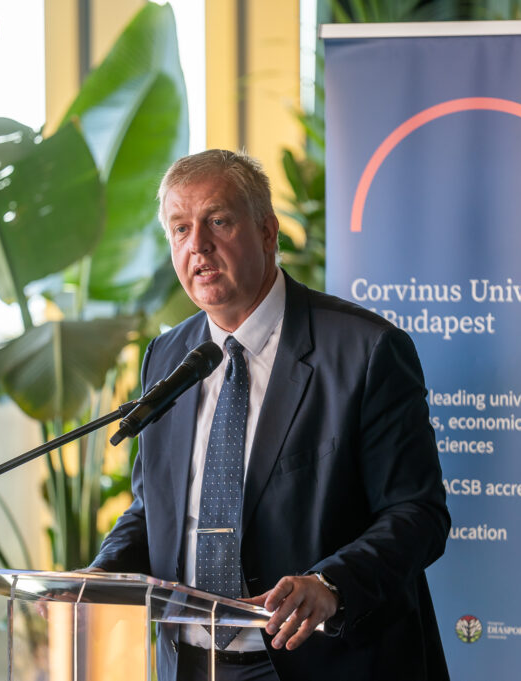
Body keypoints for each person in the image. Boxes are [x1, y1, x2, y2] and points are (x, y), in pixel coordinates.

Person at [90, 149, 450, 681]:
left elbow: (418, 513)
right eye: (180, 229)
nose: (198, 245)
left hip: (322, 662)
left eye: (218, 221)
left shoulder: (366, 350)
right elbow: (154, 508)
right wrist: (99, 576)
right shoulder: (167, 357)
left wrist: (330, 585)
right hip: (189, 662)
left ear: (267, 231)